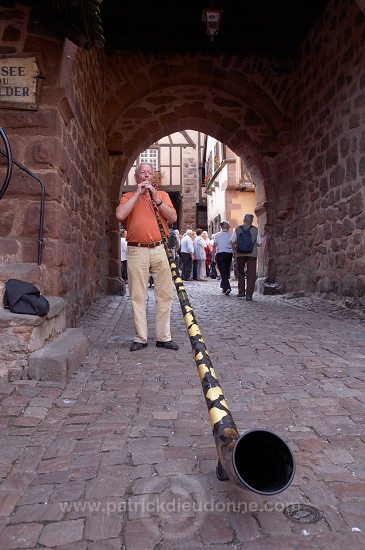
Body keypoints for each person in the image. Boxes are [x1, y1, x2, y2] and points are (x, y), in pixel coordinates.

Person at [115, 162, 179, 351]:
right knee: (137, 295)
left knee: (165, 295)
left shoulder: (162, 195)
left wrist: (155, 199)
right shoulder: (127, 196)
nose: (146, 176)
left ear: (153, 177)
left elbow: (173, 217)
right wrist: (137, 194)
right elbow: (120, 215)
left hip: (160, 249)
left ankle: (163, 337)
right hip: (137, 250)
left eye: (149, 173)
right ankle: (140, 337)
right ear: (136, 177)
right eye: (142, 173)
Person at [231, 213, 262, 301]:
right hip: (252, 254)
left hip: (240, 254)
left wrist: (237, 248)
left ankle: (241, 291)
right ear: (252, 221)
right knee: (251, 274)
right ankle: (249, 295)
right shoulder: (256, 230)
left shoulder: (237, 229)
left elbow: (232, 242)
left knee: (241, 272)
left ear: (244, 220)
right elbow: (260, 244)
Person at [212, 221, 233, 295]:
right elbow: (233, 245)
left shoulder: (217, 235)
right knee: (226, 271)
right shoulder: (231, 235)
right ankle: (225, 286)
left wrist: (212, 256)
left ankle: (226, 287)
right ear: (227, 227)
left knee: (223, 271)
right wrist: (235, 254)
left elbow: (214, 246)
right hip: (228, 253)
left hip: (220, 253)